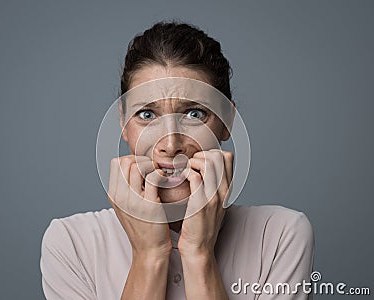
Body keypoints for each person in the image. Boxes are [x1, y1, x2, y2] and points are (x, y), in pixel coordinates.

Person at [40, 21, 314, 300]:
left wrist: (199, 252)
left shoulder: (281, 235)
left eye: (194, 114)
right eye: (147, 115)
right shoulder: (70, 243)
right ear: (123, 123)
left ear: (226, 121)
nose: (171, 145)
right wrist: (149, 255)